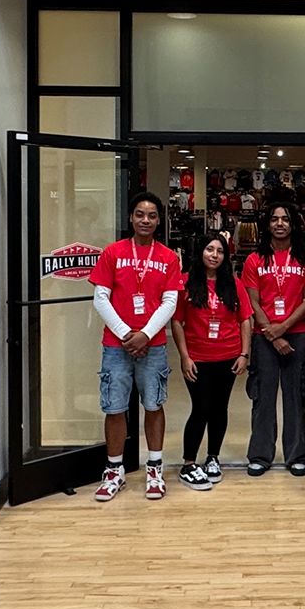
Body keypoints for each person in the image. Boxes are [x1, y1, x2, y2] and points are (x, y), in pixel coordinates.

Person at [88, 191, 183, 501]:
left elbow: (170, 302)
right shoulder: (112, 253)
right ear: (131, 217)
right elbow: (100, 297)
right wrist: (128, 334)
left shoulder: (168, 257)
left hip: (152, 345)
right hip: (116, 345)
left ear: (159, 220)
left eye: (152, 215)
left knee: (154, 404)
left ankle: (154, 467)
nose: (146, 220)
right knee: (114, 407)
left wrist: (146, 334)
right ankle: (114, 470)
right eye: (140, 214)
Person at [241, 202, 305, 476]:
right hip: (264, 338)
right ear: (267, 224)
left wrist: (284, 326)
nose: (279, 224)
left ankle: (297, 454)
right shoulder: (254, 260)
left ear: (293, 224)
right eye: (274, 219)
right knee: (262, 396)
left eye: (285, 219)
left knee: (296, 396)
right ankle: (260, 454)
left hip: (296, 336)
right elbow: (251, 300)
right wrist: (272, 333)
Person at [171, 232, 253, 490]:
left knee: (220, 408)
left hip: (228, 357)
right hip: (198, 358)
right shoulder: (185, 283)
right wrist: (184, 357)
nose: (214, 255)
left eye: (219, 251)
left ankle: (213, 458)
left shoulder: (233, 283)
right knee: (202, 407)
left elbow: (245, 319)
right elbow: (177, 322)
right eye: (209, 249)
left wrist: (244, 354)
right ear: (200, 253)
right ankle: (188, 463)